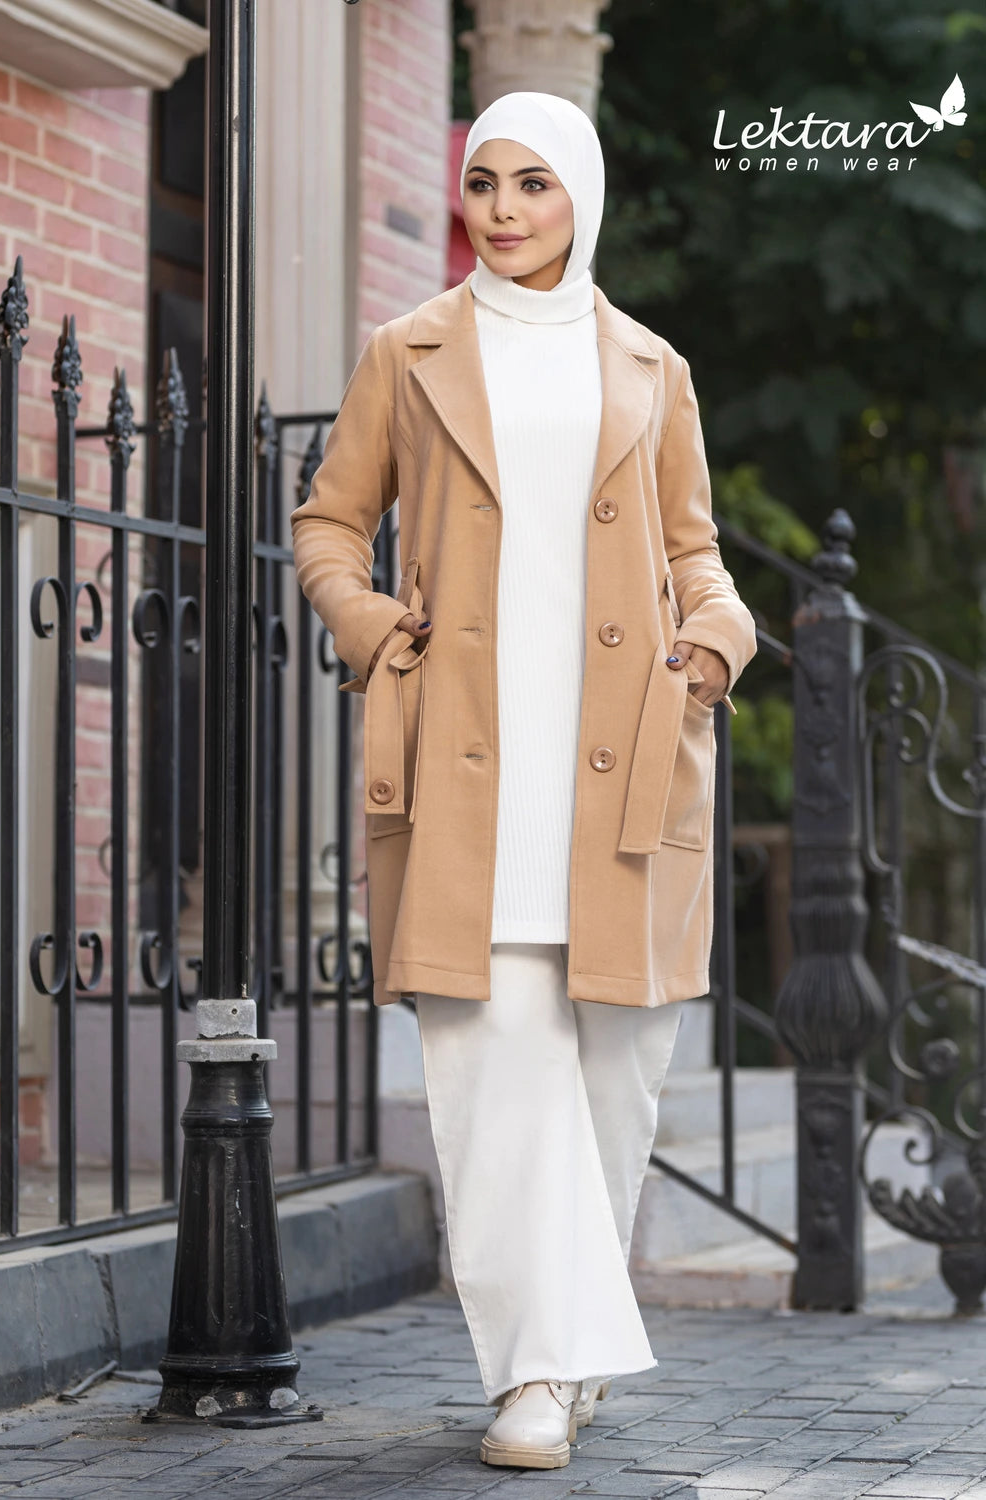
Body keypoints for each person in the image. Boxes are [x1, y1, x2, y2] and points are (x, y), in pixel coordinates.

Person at [290, 91, 758, 1472]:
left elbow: (700, 556)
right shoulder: (409, 351)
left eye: (533, 184)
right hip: (467, 767)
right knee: (495, 1084)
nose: (500, 209)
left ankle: (569, 1345)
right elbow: (330, 519)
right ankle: (534, 1378)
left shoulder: (651, 369)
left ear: (583, 197)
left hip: (620, 768)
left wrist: (716, 651)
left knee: (615, 1081)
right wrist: (370, 629)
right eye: (482, 182)